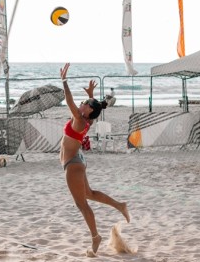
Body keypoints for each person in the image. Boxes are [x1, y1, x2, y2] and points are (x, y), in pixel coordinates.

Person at [59, 63, 129, 255]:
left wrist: (64, 81)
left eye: (85, 103)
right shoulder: (88, 118)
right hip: (77, 161)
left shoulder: (81, 120)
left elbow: (69, 101)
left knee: (82, 204)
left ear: (88, 110)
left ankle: (95, 237)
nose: (82, 103)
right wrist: (91, 94)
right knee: (88, 194)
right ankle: (119, 205)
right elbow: (93, 105)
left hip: (73, 164)